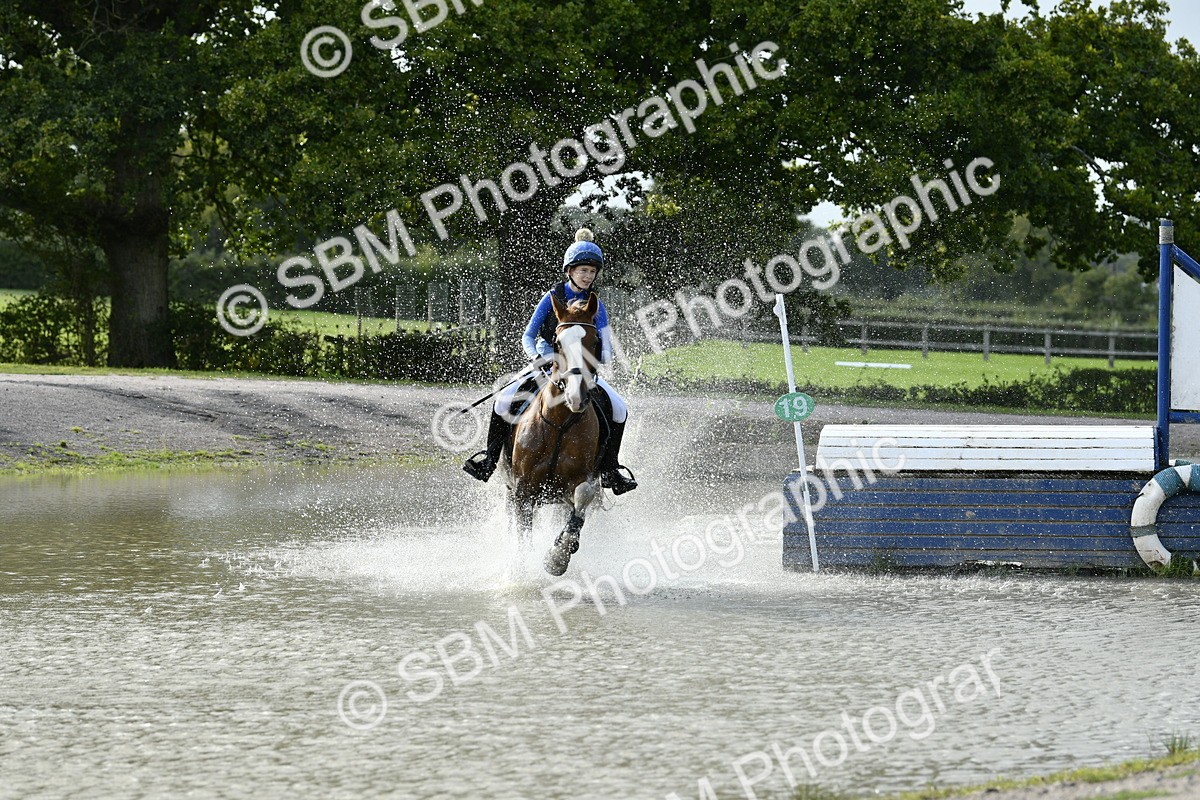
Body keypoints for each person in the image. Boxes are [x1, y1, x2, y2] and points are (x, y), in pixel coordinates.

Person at [463, 228, 638, 495]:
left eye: (592, 272)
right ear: (570, 271)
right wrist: (535, 357)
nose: (588, 276)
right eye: (583, 271)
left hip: (583, 369)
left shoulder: (596, 306)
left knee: (619, 409)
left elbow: (605, 344)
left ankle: (610, 469)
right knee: (502, 401)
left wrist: (598, 359)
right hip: (546, 362)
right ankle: (489, 459)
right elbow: (528, 335)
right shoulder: (552, 297)